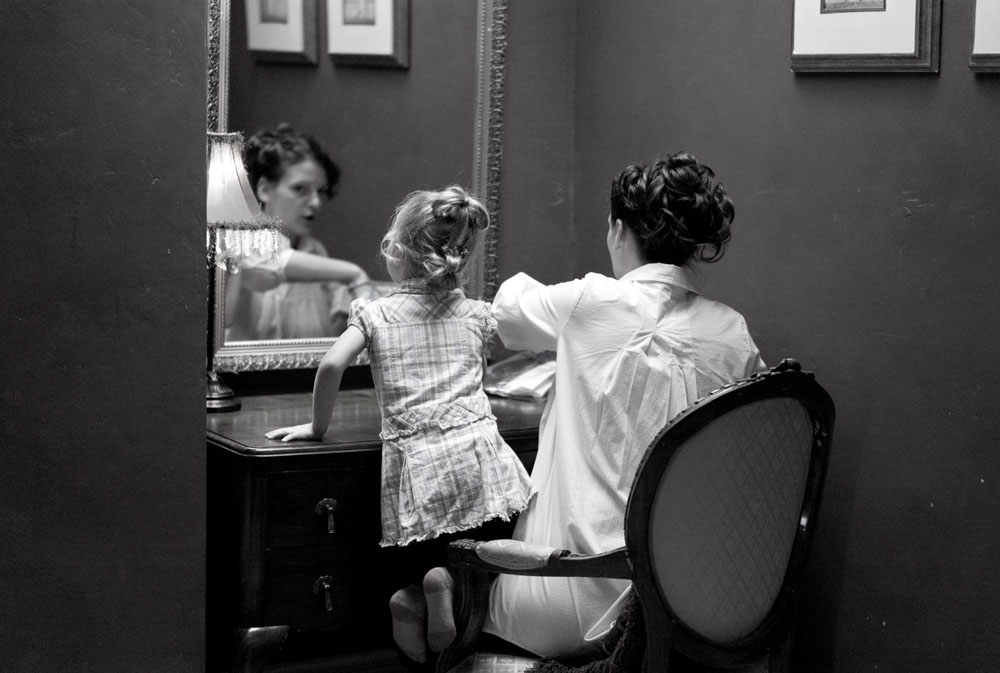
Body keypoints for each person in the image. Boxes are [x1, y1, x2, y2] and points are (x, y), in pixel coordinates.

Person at [413, 152, 768, 664]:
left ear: (619, 229)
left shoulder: (591, 300)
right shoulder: (732, 332)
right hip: (689, 607)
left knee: (438, 582)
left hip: (570, 599)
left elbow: (507, 316)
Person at [265, 185, 535, 665]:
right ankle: (448, 585)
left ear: (397, 250)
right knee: (489, 542)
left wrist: (316, 427)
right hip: (478, 455)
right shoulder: (476, 314)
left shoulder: (377, 314)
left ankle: (415, 591)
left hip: (419, 463)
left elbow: (331, 366)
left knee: (420, 548)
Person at [225, 123, 372, 341]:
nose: (316, 202)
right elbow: (267, 263)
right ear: (264, 189)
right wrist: (352, 272)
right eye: (300, 189)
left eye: (320, 192)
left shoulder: (316, 252)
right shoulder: (241, 244)